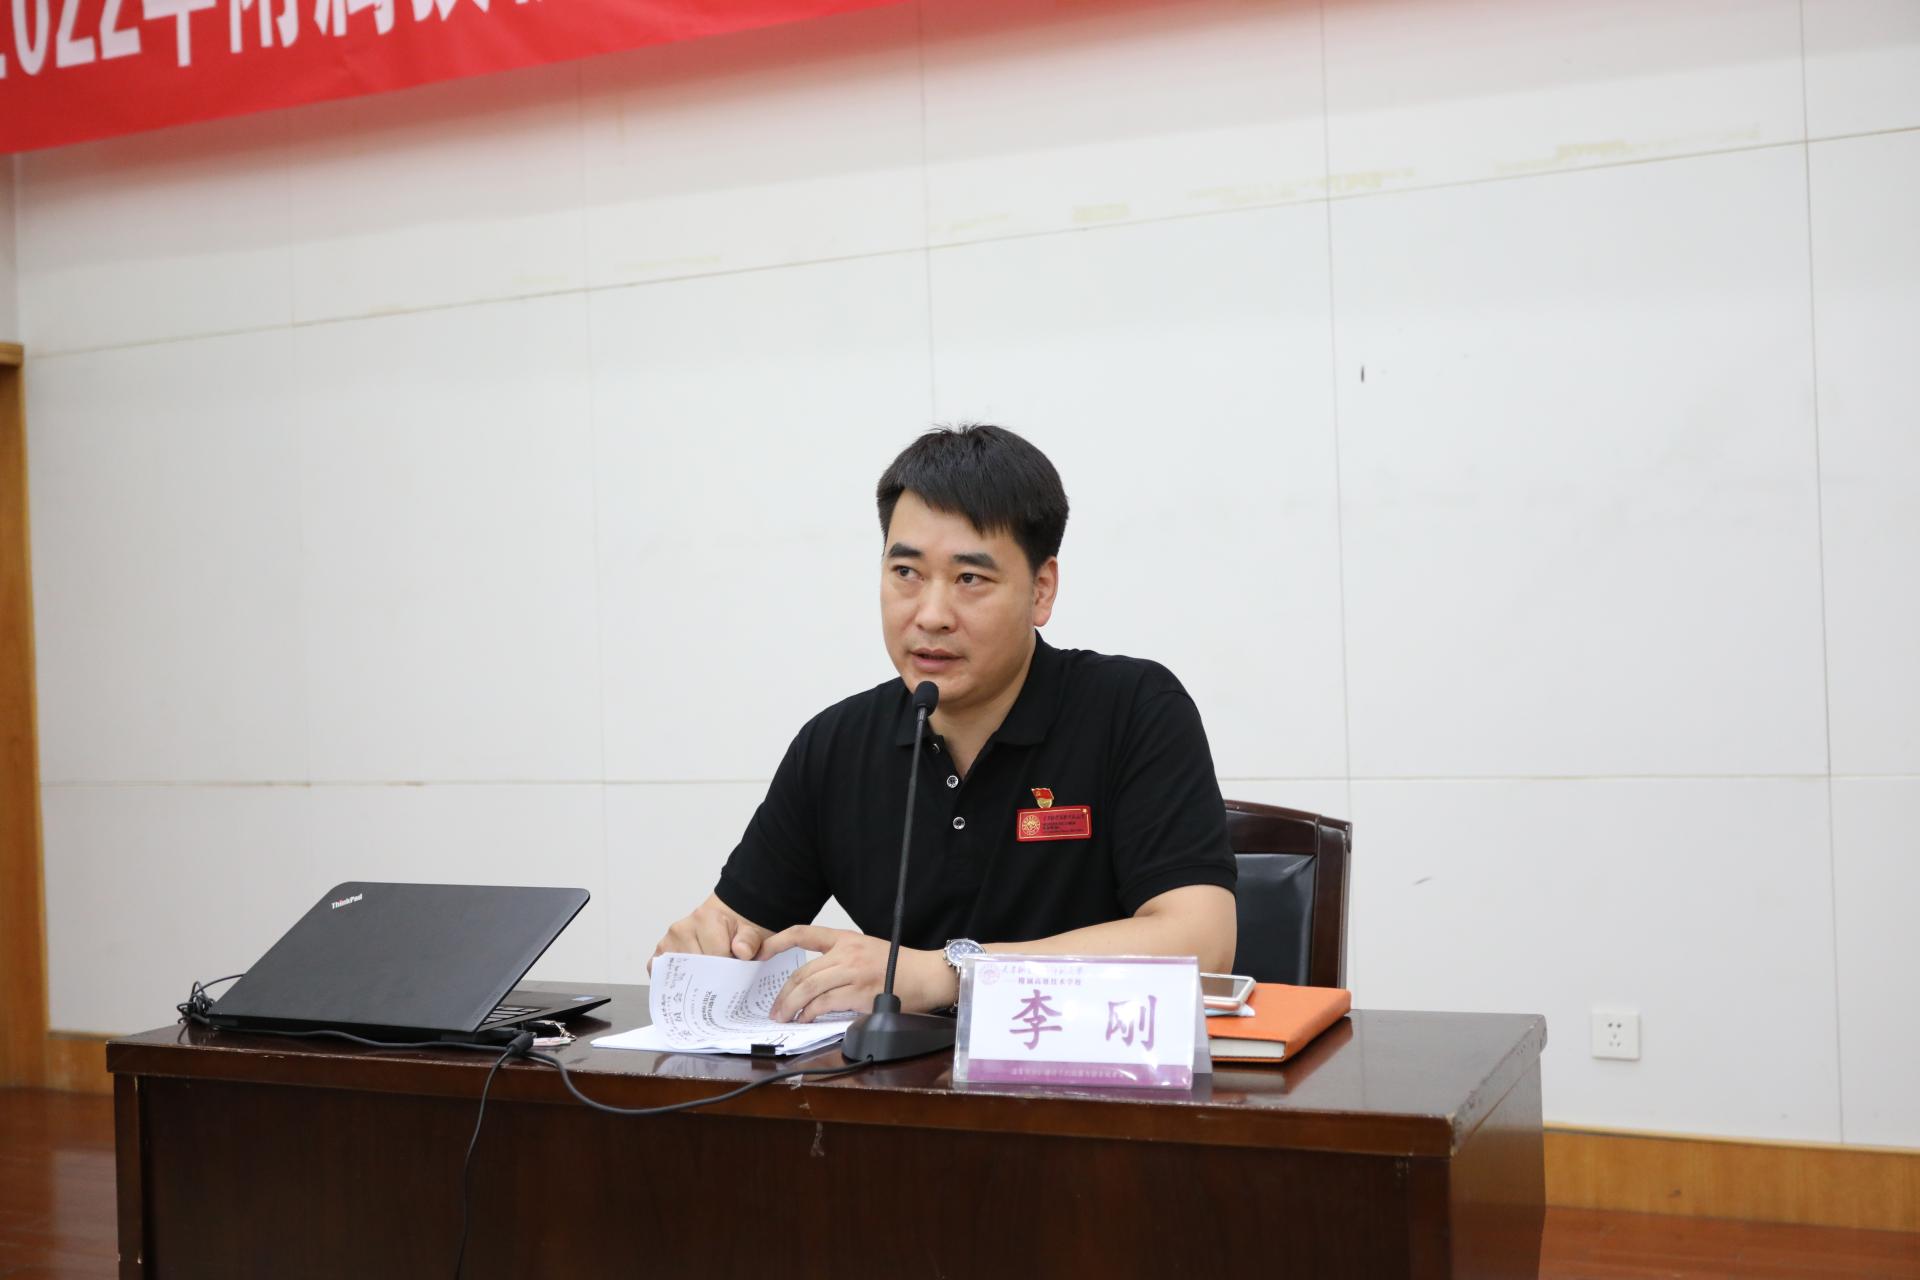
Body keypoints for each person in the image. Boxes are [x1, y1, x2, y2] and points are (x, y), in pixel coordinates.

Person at [651, 424, 1236, 1023]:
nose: (931, 615)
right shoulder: (836, 745)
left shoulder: (1133, 708)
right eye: (906, 572)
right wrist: (704, 951)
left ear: (1041, 590)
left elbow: (1202, 943)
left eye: (969, 579)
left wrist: (946, 973)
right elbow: (736, 929)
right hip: (904, 1078)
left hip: (1094, 1071)